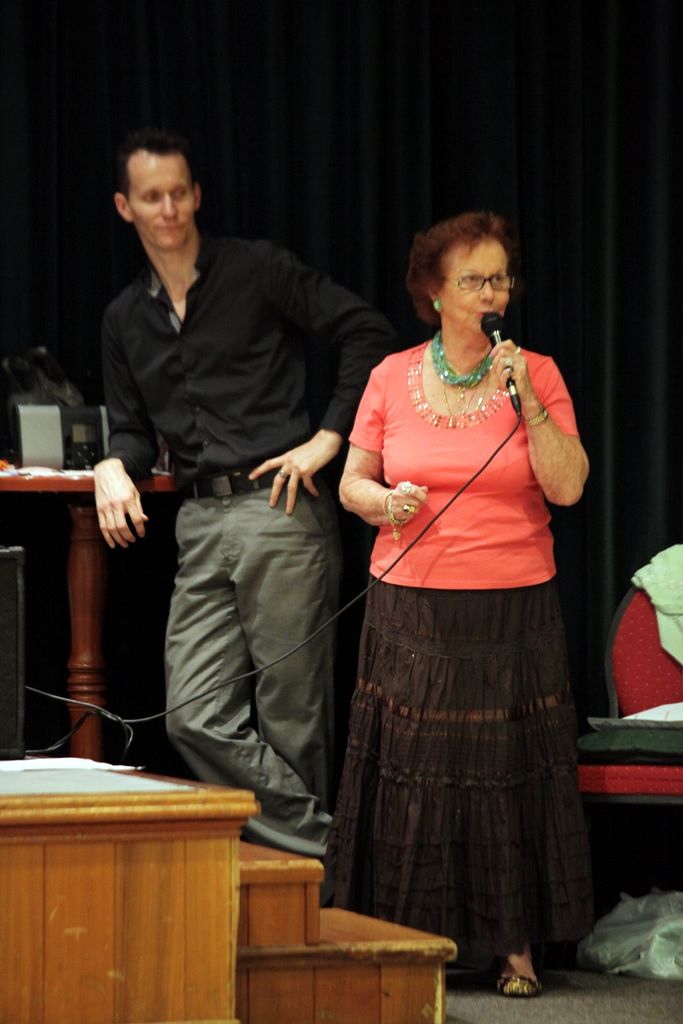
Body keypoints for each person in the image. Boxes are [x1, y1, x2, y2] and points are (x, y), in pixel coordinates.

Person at [94, 127, 396, 859]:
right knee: (192, 713)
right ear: (125, 207)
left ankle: (307, 893)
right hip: (199, 520)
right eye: (151, 197)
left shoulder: (256, 269)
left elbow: (366, 330)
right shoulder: (124, 318)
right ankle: (333, 853)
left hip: (279, 508)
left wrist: (330, 437)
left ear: (197, 194)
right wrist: (111, 464)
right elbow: (133, 431)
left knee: (293, 718)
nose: (168, 209)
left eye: (178, 192)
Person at [327, 210, 594, 996]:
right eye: (474, 279)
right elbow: (350, 483)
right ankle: (409, 941)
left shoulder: (536, 373)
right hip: (410, 608)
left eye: (499, 278)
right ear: (435, 293)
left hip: (511, 608)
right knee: (414, 778)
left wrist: (527, 400)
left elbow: (568, 487)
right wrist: (383, 503)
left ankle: (513, 944)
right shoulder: (388, 377)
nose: (491, 293)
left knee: (505, 774)